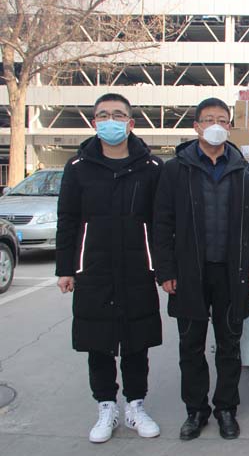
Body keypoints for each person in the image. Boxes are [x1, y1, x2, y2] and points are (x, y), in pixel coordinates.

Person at [153, 97, 249, 441]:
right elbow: (162, 223)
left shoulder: (243, 171)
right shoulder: (176, 169)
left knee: (229, 344)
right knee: (191, 345)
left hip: (231, 273)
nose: (215, 125)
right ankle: (196, 410)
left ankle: (226, 408)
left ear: (229, 127)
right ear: (196, 127)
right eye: (208, 119)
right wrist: (166, 270)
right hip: (190, 273)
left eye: (222, 120)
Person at [56, 93, 163, 443]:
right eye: (103, 115)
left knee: (136, 341)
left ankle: (135, 405)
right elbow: (68, 220)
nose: (110, 120)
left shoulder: (151, 167)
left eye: (118, 115)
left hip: (137, 267)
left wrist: (163, 268)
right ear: (94, 123)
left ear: (130, 123)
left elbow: (161, 222)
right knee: (98, 341)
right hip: (94, 268)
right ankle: (106, 407)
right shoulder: (77, 167)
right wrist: (66, 268)